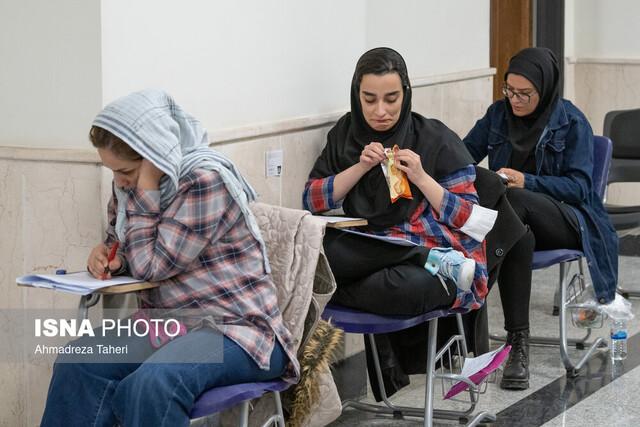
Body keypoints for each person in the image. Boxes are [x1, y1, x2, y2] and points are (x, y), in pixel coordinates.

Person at [40, 89, 298, 426]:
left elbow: (152, 267)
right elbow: (128, 249)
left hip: (236, 330)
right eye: (112, 171)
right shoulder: (131, 187)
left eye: (126, 171)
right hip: (170, 324)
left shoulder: (204, 181)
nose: (119, 182)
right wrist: (109, 257)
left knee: (152, 384)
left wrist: (146, 185)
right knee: (79, 361)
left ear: (156, 155)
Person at [463, 47, 618, 390]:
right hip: (516, 224)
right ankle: (517, 343)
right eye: (509, 90)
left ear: (545, 89)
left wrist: (527, 181)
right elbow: (463, 156)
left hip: (569, 219)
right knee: (517, 232)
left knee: (513, 201)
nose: (515, 100)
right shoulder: (498, 114)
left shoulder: (571, 121)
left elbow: (580, 188)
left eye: (525, 94)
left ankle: (469, 315)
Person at [303, 47, 496, 321]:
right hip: (369, 248)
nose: (380, 111)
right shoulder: (345, 135)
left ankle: (338, 290)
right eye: (369, 100)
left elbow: (471, 221)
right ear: (357, 95)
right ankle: (419, 255)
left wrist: (421, 178)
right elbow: (311, 200)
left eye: (391, 99)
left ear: (405, 94)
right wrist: (360, 167)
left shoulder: (435, 138)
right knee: (318, 251)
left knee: (405, 288)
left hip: (425, 258)